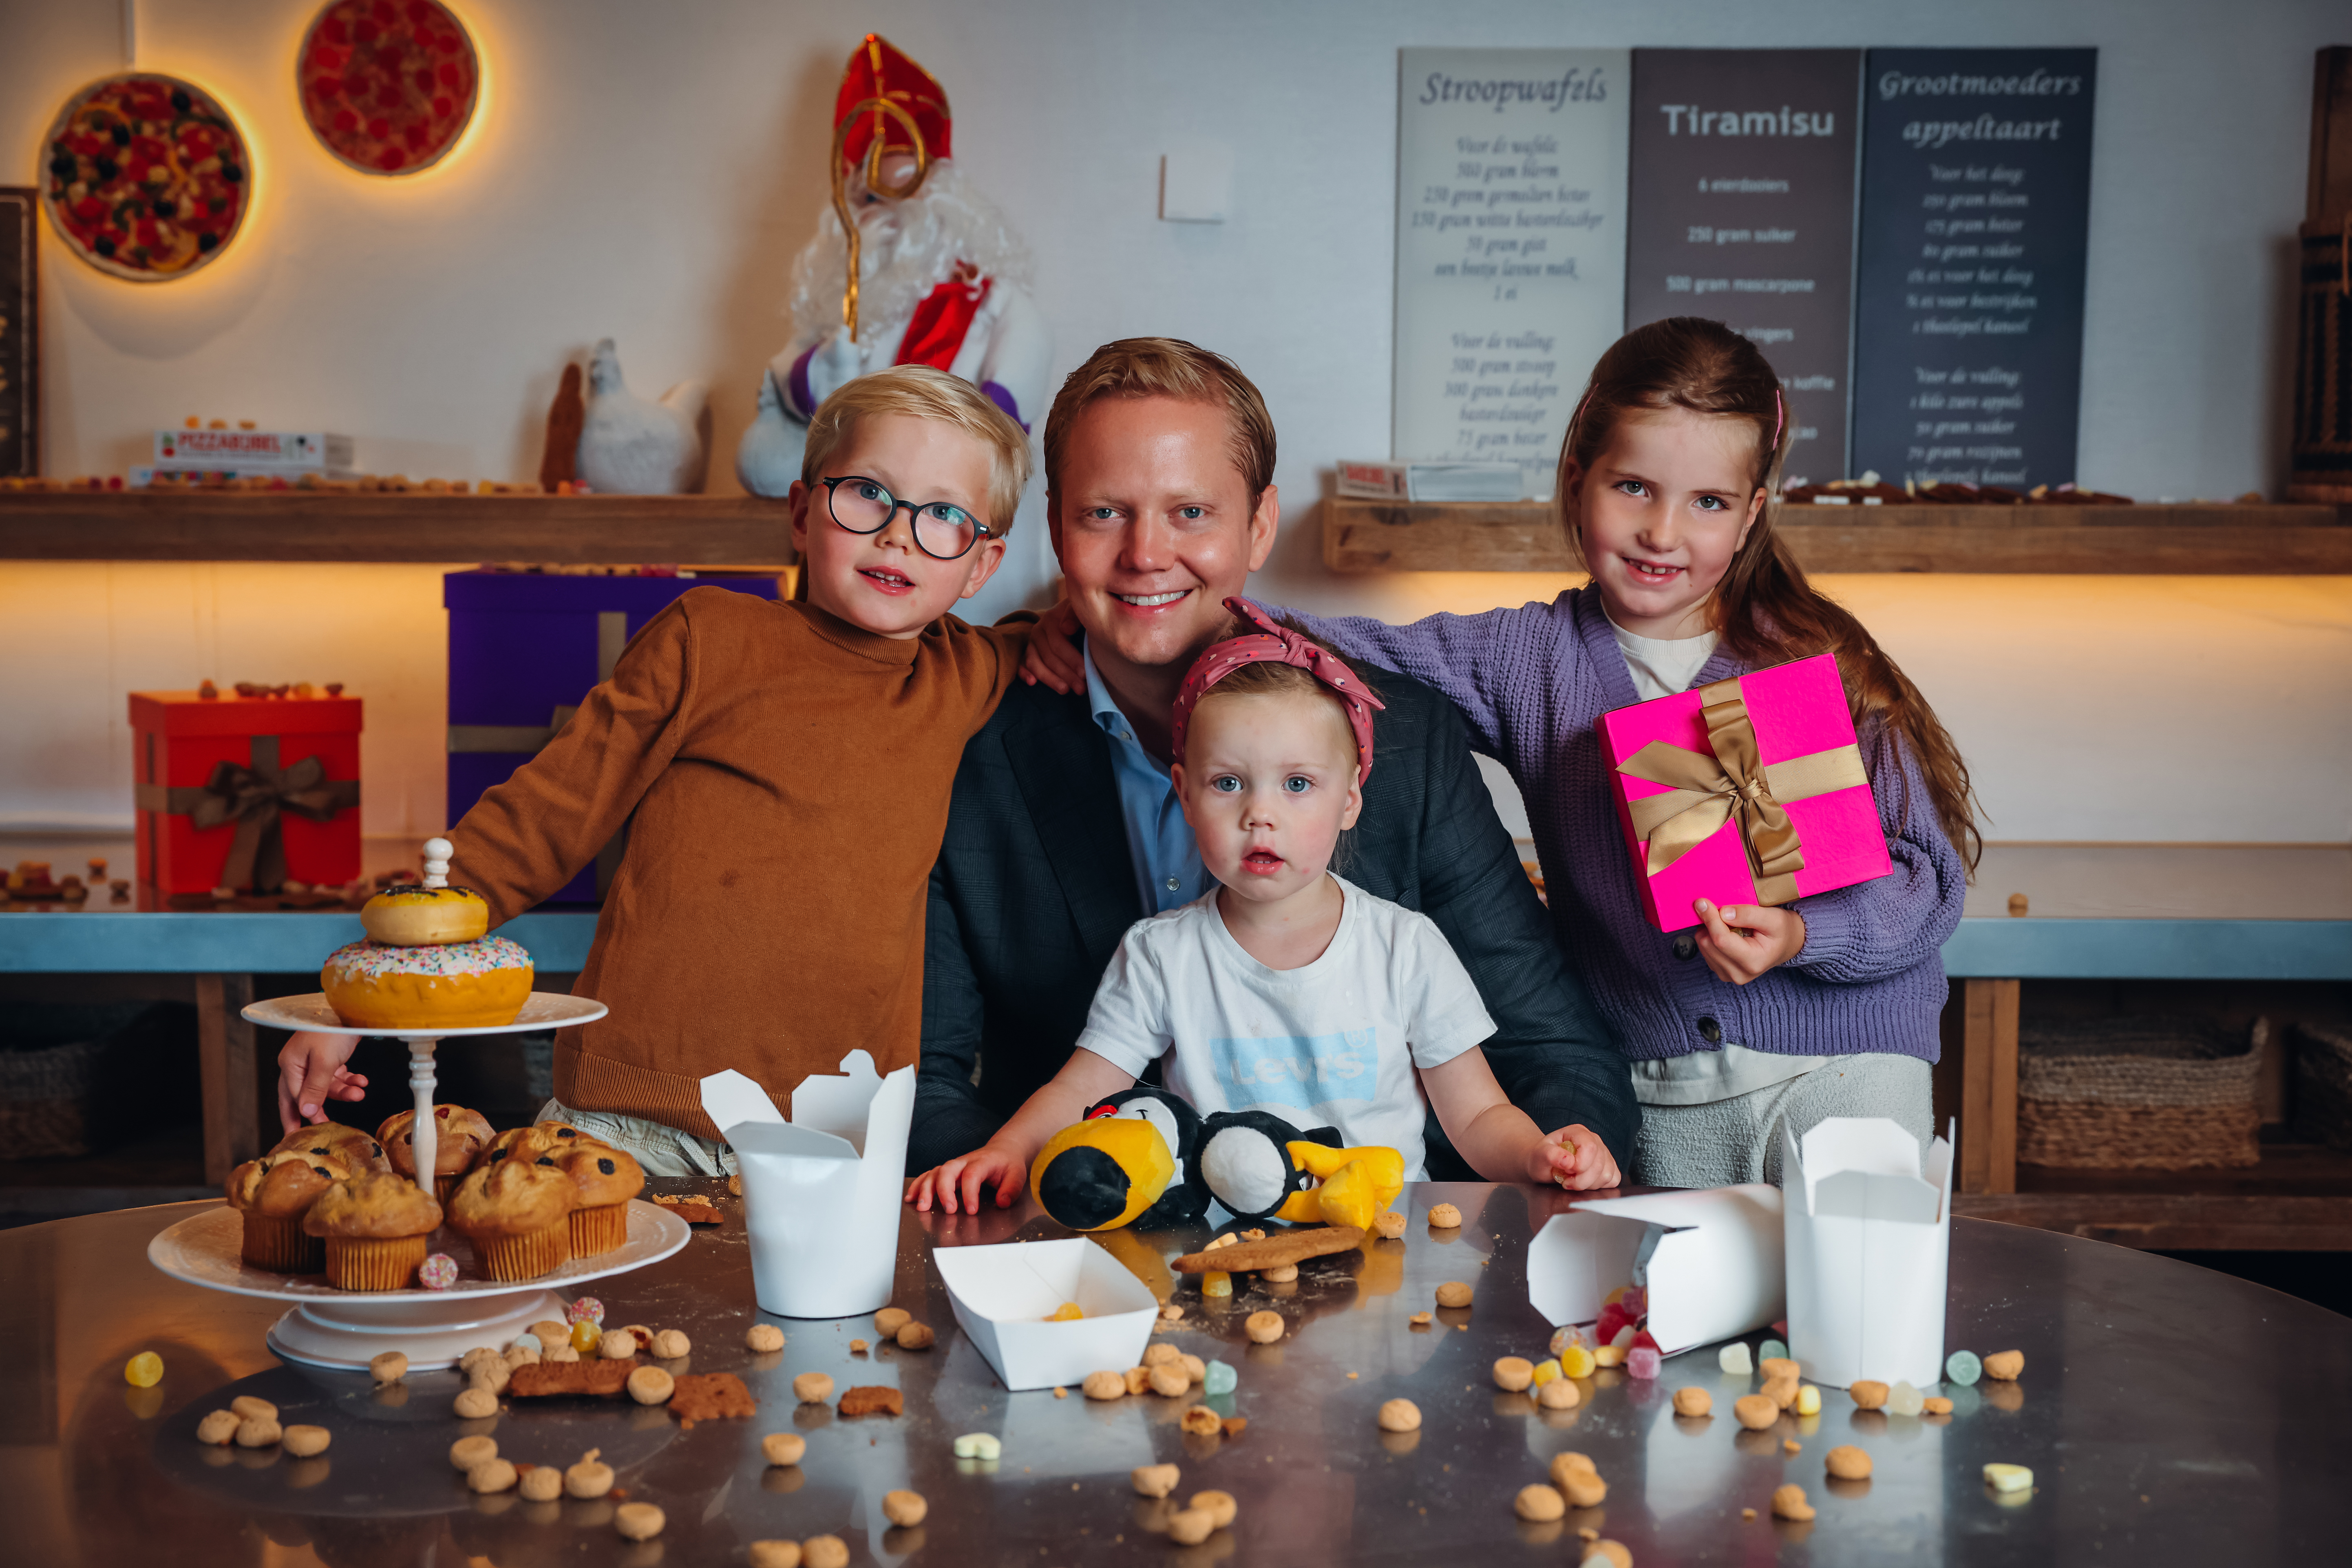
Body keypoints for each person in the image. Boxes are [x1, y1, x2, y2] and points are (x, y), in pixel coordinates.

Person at [1035, 318, 1975, 1187]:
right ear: (1578, 482)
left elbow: (1928, 883)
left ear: (1752, 513)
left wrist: (1805, 935)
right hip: (1660, 1085)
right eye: (1633, 487)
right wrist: (1107, 612)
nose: (1662, 530)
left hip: (1849, 1057)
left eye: (1709, 502)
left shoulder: (1819, 660)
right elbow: (1348, 649)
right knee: (1688, 1334)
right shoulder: (1530, 658)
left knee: (1861, 1316)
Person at [909, 337, 1635, 1210]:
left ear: (1258, 526)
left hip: (1381, 1235)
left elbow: (1553, 1053)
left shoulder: (1400, 741)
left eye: (1190, 514)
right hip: (1088, 1248)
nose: (1145, 554)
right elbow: (929, 1085)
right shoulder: (968, 740)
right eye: (1104, 514)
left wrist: (1556, 1164)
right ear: (1057, 526)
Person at [275, 365, 1034, 1173]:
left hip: (829, 1141)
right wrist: (362, 989)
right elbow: (541, 816)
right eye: (867, 495)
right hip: (630, 1119)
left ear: (980, 566)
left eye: (943, 515)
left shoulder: (964, 675)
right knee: (577, 1300)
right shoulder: (707, 639)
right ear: (802, 510)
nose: (896, 534)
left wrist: (1058, 635)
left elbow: (1083, 634)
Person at [908, 602, 1614, 1208]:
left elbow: (1477, 1114)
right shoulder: (1159, 953)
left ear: (1350, 801)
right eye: (1226, 784)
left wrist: (1539, 1155)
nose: (1259, 816)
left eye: (1298, 784)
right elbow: (1076, 1091)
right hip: (1208, 1251)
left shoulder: (1405, 947)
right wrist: (1003, 1151)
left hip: (1381, 1245)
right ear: (1182, 794)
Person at [735, 33, 1051, 497]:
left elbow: (1022, 366)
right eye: (870, 198)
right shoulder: (844, 298)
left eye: (906, 189)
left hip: (955, 494)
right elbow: (787, 369)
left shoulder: (994, 302)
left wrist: (974, 435)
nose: (891, 211)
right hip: (857, 491)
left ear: (945, 198)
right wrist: (823, 369)